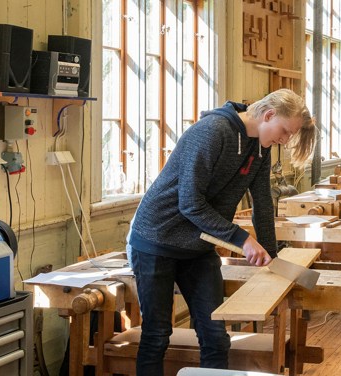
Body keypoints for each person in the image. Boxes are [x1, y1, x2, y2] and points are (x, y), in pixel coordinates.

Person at [126, 89, 316, 375]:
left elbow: (263, 203)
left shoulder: (261, 147)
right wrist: (242, 239)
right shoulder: (212, 132)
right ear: (268, 115)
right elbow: (190, 203)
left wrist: (272, 257)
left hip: (199, 247)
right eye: (285, 132)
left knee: (215, 338)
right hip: (156, 240)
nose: (285, 140)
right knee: (156, 336)